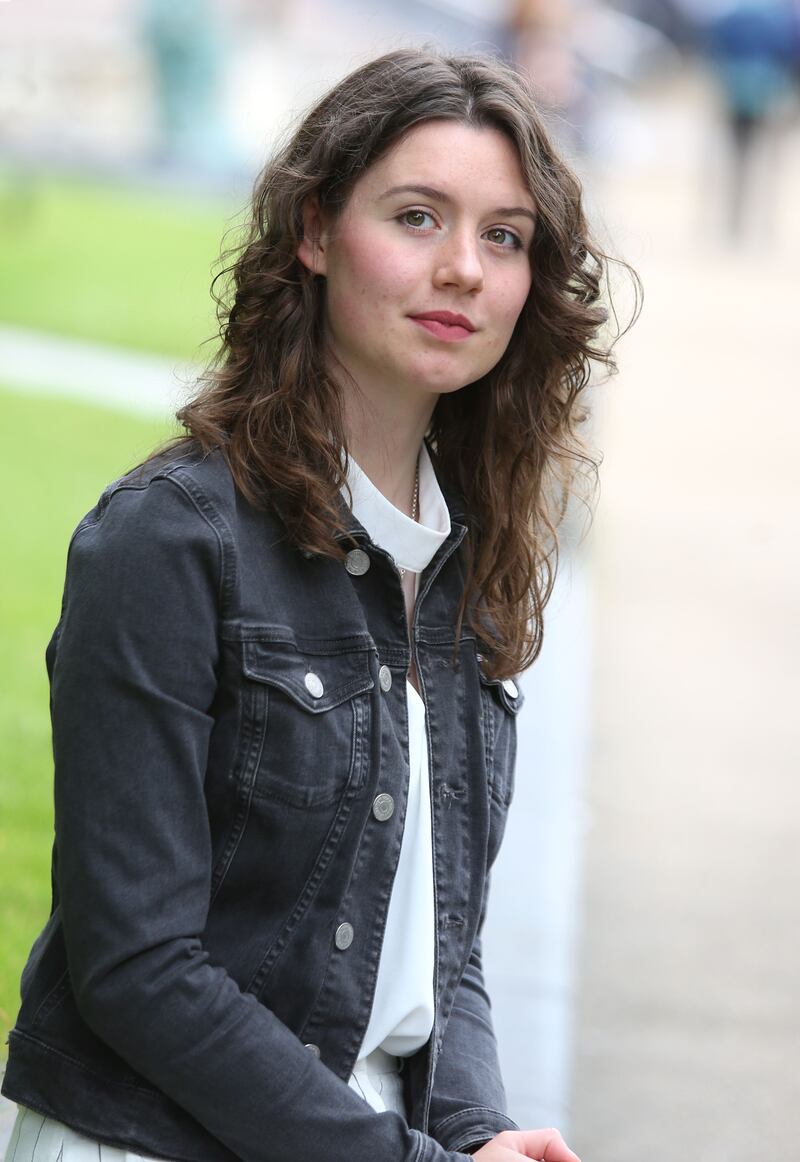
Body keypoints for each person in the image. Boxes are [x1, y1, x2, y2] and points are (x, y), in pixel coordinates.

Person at [2, 48, 634, 1162]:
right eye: (416, 217)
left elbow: (441, 943)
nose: (462, 269)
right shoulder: (169, 540)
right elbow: (138, 966)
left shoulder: (465, 564)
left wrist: (476, 1130)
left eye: (503, 236)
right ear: (314, 231)